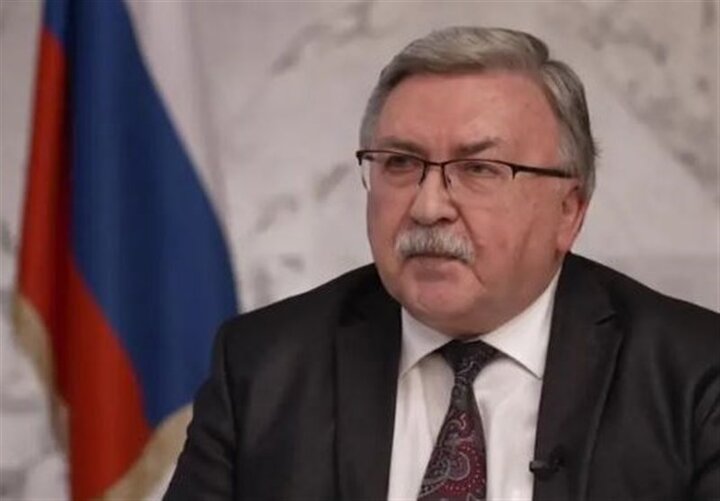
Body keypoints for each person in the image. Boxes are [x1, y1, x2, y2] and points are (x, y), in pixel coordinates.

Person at [164, 27, 719, 501]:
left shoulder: (695, 373)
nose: (428, 207)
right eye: (400, 163)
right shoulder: (265, 364)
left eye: (479, 169)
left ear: (568, 211)